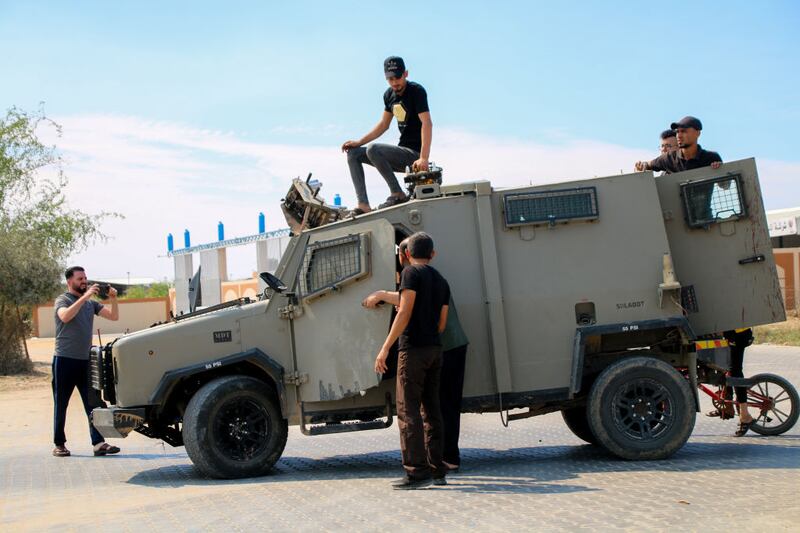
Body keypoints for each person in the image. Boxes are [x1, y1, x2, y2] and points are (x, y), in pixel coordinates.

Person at [364, 238, 469, 472]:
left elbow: (407, 304)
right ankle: (441, 460)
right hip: (441, 345)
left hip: (443, 346)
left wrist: (385, 346)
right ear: (432, 253)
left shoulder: (413, 275)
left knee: (433, 406)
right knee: (436, 407)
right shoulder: (437, 278)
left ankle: (436, 461)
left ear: (406, 255)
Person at [341, 56, 432, 215]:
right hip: (399, 155)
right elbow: (383, 125)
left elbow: (427, 123)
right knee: (354, 154)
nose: (394, 82)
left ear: (406, 74)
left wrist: (423, 157)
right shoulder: (389, 95)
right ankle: (363, 205)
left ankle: (397, 193)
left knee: (373, 149)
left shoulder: (416, 91)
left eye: (397, 77)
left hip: (414, 156)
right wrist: (358, 142)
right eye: (390, 79)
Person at [52, 266, 121, 457]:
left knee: (93, 403)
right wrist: (85, 297)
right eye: (80, 279)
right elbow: (65, 316)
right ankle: (59, 444)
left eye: (85, 278)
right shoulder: (63, 300)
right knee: (61, 403)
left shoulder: (91, 304)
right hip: (64, 360)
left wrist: (113, 299)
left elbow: (114, 317)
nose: (84, 281)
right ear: (70, 281)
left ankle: (98, 444)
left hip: (85, 361)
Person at [634, 116, 722, 174]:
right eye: (677, 132)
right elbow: (646, 165)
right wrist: (641, 167)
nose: (679, 136)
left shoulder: (711, 158)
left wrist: (719, 170)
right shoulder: (669, 158)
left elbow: (725, 186)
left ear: (697, 133)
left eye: (684, 131)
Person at [710, 328, 756, 437]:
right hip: (729, 334)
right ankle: (727, 405)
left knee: (735, 372)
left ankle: (745, 416)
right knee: (722, 367)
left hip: (738, 334)